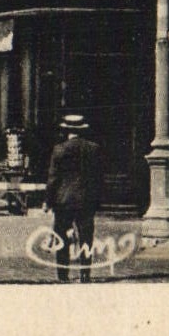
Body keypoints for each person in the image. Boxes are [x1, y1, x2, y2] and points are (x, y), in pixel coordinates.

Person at [45, 113, 102, 282]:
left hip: (63, 201)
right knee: (86, 237)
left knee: (62, 237)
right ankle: (85, 274)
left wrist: (48, 201)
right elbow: (98, 177)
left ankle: (63, 275)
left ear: (66, 130)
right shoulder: (93, 148)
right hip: (86, 200)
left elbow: (53, 178)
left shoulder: (59, 149)